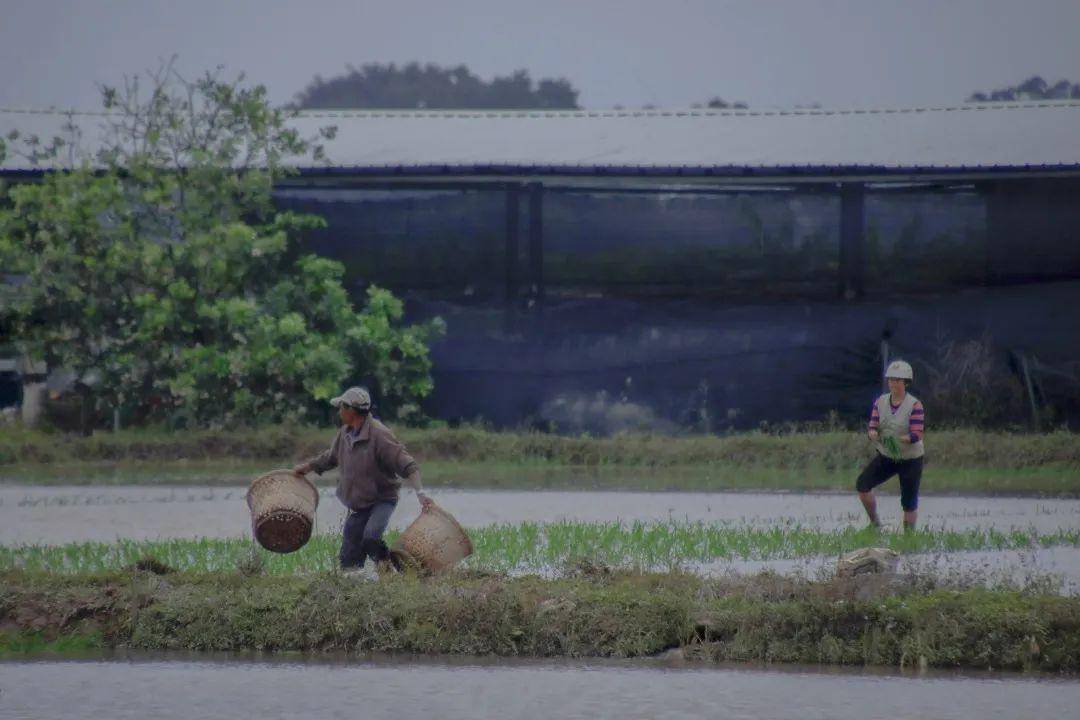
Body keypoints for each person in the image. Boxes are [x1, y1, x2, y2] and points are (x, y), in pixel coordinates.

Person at [294, 386, 433, 577]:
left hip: (382, 499)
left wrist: (421, 494)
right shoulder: (345, 433)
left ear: (351, 410)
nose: (339, 411)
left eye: (341, 407)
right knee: (348, 555)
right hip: (360, 504)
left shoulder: (379, 435)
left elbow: (408, 465)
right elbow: (330, 458)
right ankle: (357, 584)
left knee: (371, 538)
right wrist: (307, 467)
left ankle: (389, 572)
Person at [855, 360, 925, 531]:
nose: (894, 384)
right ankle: (875, 524)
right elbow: (873, 425)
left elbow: (916, 434)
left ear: (906, 383)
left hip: (910, 459)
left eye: (898, 380)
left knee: (909, 502)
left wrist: (898, 438)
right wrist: (873, 433)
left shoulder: (914, 405)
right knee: (862, 485)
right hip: (887, 455)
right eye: (891, 380)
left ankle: (909, 536)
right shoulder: (881, 402)